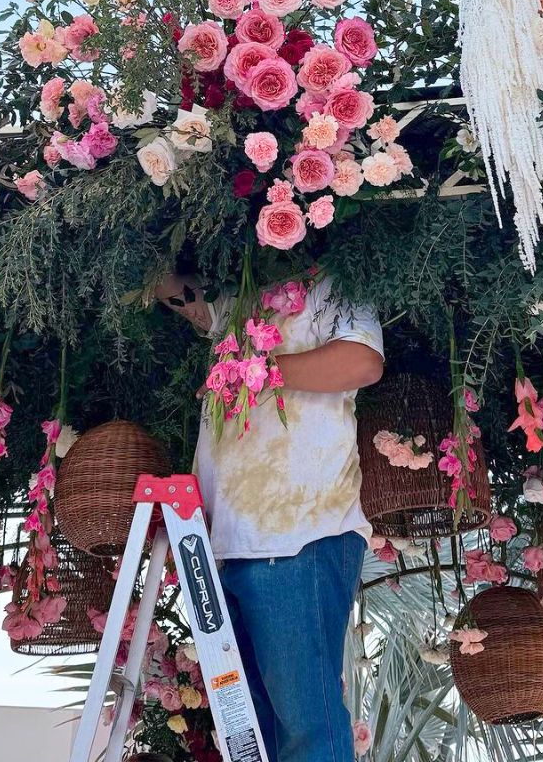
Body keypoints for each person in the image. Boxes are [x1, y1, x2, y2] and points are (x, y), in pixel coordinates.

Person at [156, 272, 384, 762]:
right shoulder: (244, 298)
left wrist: (259, 370)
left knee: (306, 729)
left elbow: (362, 360)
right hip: (229, 541)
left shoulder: (338, 279)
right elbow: (198, 305)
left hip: (299, 533)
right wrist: (155, 275)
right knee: (255, 739)